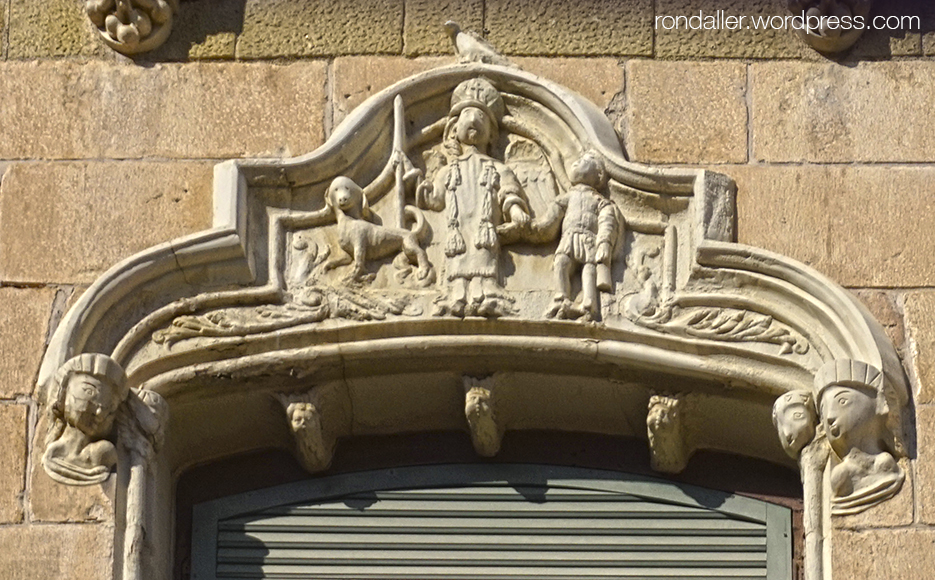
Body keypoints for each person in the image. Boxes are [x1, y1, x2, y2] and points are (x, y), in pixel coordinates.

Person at [412, 77, 530, 317]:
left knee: (483, 258)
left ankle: (487, 295)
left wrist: (515, 210)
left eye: (482, 117)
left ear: (492, 135)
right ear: (454, 130)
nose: (474, 120)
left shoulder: (498, 168)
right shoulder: (447, 171)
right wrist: (415, 183)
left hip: (483, 226)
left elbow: (508, 192)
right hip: (458, 228)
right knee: (458, 260)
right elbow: (435, 200)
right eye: (467, 115)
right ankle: (456, 297)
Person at [532, 151, 618, 320]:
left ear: (598, 174)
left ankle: (589, 302)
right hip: (569, 237)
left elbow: (607, 219)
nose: (576, 163)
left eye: (584, 162)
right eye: (577, 160)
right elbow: (553, 216)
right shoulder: (569, 196)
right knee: (561, 262)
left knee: (589, 267)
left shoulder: (598, 200)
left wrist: (604, 242)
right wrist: (537, 226)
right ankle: (561, 296)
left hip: (588, 238)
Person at [42, 353, 128, 485]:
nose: (99, 412)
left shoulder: (104, 454)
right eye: (89, 392)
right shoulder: (54, 454)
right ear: (64, 391)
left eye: (109, 406)